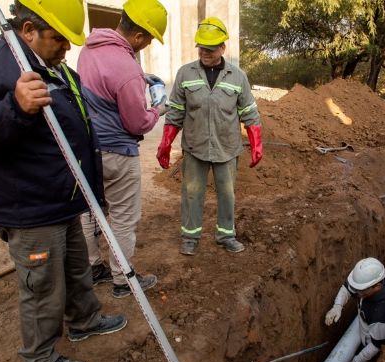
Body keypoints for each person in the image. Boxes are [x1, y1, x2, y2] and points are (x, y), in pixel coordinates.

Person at [0, 0, 126, 362]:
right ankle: (40, 358)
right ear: (29, 29)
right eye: (58, 39)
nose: (67, 48)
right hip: (28, 204)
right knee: (43, 285)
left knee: (76, 266)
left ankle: (84, 320)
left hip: (60, 196)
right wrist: (15, 107)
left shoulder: (48, 65)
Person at [77, 0, 166, 298]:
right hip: (117, 152)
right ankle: (122, 279)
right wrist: (157, 110)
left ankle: (93, 267)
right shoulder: (127, 67)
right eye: (150, 37)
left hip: (89, 151)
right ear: (139, 36)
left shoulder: (89, 49)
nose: (149, 43)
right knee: (123, 217)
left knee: (90, 211)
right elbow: (137, 123)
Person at [156, 16, 263, 256]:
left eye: (211, 48)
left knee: (227, 194)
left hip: (227, 148)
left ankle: (226, 235)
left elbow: (249, 113)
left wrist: (256, 143)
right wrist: (165, 143)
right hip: (195, 147)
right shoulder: (185, 74)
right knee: (192, 193)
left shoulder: (238, 77)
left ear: (223, 48)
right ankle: (190, 237)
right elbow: (175, 112)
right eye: (202, 47)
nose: (205, 52)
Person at [324, 258, 385, 362]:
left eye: (361, 290)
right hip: (363, 331)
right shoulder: (366, 286)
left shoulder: (381, 314)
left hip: (371, 347)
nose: (356, 293)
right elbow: (347, 288)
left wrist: (355, 361)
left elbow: (376, 346)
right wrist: (337, 306)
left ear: (377, 286)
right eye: (356, 288)